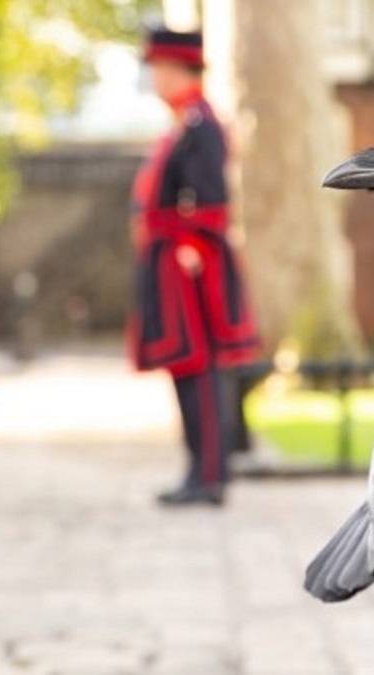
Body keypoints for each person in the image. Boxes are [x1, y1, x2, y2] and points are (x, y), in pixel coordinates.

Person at [129, 27, 259, 506]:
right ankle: (201, 470)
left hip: (189, 266)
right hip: (175, 261)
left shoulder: (200, 124)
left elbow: (208, 200)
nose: (155, 79)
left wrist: (188, 249)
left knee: (197, 367)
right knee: (187, 368)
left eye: (159, 69)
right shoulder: (186, 121)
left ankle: (207, 475)